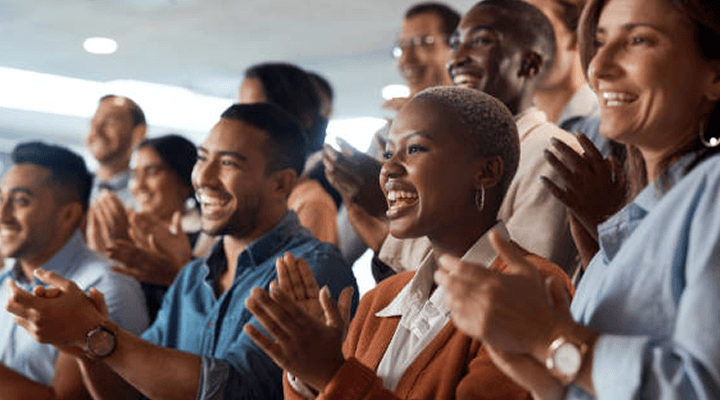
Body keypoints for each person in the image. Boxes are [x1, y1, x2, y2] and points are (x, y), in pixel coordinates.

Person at [436, 0, 720, 398]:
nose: (599, 67)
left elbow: (701, 388)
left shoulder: (712, 192)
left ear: (714, 75)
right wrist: (536, 370)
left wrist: (548, 337)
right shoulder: (617, 242)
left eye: (639, 40)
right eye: (600, 42)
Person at [6, 103, 359, 400]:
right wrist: (84, 348)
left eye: (228, 163)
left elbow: (235, 389)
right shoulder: (193, 276)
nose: (203, 177)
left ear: (280, 183)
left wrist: (98, 334)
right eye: (203, 158)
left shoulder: (311, 269)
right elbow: (129, 392)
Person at [245, 87, 572, 400]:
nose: (388, 168)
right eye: (388, 153)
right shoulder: (379, 301)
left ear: (486, 171)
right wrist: (307, 372)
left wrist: (331, 374)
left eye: (415, 148)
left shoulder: (532, 289)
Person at [0, 142, 147, 400]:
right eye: (1, 199)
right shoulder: (7, 278)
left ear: (68, 215)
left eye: (21, 201)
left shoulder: (104, 286)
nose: (3, 215)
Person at [326, 2, 461, 267]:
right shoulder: (385, 135)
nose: (407, 59)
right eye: (402, 46)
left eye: (423, 42)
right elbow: (343, 246)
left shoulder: (481, 131)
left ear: (455, 48)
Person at [87, 134, 208, 321]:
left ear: (185, 180)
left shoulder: (206, 241)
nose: (139, 185)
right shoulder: (124, 229)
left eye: (152, 172)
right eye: (135, 174)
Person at [240, 62, 340, 245]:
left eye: (255, 111)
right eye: (239, 109)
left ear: (298, 118)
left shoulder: (311, 202)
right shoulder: (248, 191)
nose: (238, 122)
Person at [86, 95, 147, 207]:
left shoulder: (147, 196)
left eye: (110, 122)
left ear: (139, 133)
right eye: (93, 122)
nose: (96, 130)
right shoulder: (70, 187)